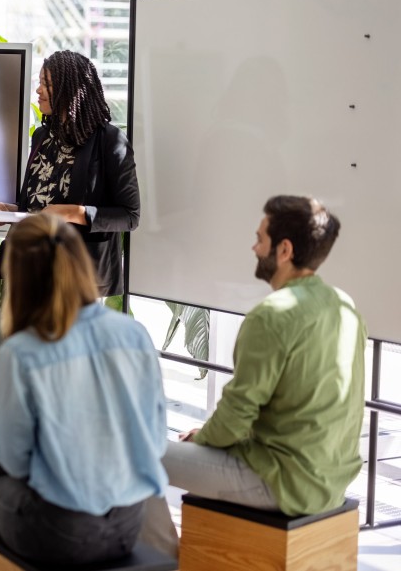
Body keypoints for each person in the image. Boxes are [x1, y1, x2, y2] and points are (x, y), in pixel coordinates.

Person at [0, 213, 168, 571]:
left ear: (19, 278)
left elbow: (13, 458)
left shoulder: (23, 351)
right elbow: (156, 438)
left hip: (61, 536)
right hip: (128, 525)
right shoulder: (134, 333)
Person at [140, 196, 367, 558]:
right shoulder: (343, 304)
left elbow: (237, 414)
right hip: (331, 478)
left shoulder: (272, 315)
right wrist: (215, 436)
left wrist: (205, 439)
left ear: (284, 250)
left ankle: (162, 561)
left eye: (260, 238)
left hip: (281, 482)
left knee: (136, 454)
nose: (254, 247)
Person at [0, 50, 139, 296]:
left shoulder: (109, 140)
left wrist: (75, 213)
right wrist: (11, 211)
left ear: (72, 90)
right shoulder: (42, 136)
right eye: (40, 82)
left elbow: (130, 216)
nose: (38, 90)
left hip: (77, 277)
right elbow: (41, 205)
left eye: (47, 84)